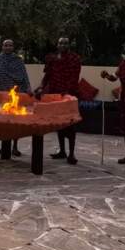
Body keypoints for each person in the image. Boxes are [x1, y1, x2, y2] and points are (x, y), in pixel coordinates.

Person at [36, 37, 81, 165]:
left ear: (69, 44)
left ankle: (71, 154)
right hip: (54, 94)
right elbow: (47, 75)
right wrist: (41, 87)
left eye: (65, 43)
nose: (63, 45)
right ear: (57, 44)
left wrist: (67, 92)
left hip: (69, 95)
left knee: (71, 124)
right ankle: (62, 151)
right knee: (59, 124)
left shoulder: (75, 58)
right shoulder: (52, 58)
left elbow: (74, 77)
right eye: (60, 43)